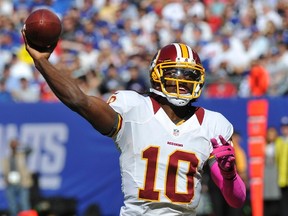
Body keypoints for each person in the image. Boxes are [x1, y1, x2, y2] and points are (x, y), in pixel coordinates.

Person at [22, 32, 246, 215]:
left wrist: (230, 175)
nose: (183, 82)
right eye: (175, 73)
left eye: (189, 76)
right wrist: (41, 62)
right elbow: (79, 101)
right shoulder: (133, 107)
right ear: (157, 76)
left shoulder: (214, 124)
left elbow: (236, 200)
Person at [1, 138, 33, 216]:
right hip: (10, 183)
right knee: (12, 205)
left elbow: (30, 149)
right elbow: (4, 170)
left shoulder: (22, 155)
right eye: (12, 143)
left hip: (22, 182)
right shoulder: (7, 156)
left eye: (15, 143)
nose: (14, 145)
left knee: (24, 203)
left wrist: (21, 144)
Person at [264, 126, 281, 216]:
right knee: (266, 197)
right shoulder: (263, 146)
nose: (271, 135)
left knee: (276, 197)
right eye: (269, 133)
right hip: (266, 175)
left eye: (272, 133)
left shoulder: (279, 145)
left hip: (276, 174)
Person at [275, 116, 288, 216]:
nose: (285, 129)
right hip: (282, 178)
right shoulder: (279, 141)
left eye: (287, 127)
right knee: (283, 203)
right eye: (283, 127)